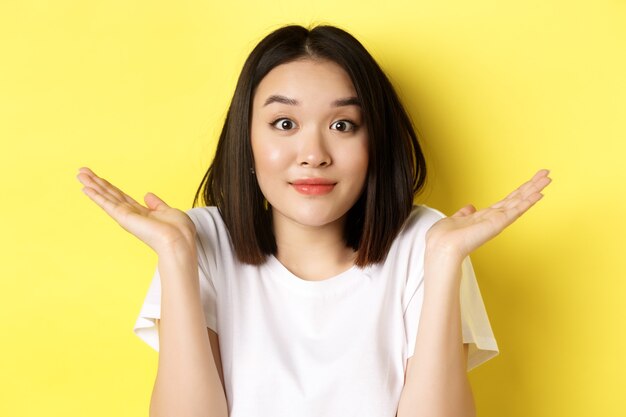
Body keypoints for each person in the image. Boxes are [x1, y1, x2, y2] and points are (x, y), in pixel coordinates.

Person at [76, 24, 551, 417]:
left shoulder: (428, 243)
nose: (313, 155)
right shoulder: (199, 239)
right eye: (285, 124)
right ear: (248, 140)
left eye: (343, 125)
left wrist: (445, 260)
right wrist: (176, 257)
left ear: (374, 145)